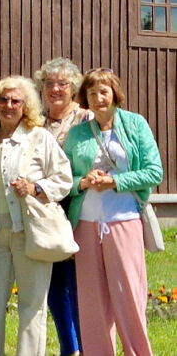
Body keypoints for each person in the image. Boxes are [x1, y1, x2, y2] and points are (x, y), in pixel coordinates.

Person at [0, 76, 72, 356]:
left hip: (29, 233)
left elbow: (63, 178)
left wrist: (36, 188)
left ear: (26, 107)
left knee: (32, 305)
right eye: (3, 99)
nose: (8, 105)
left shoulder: (39, 137)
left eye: (15, 101)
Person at [63, 69, 162, 356]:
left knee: (129, 296)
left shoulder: (134, 124)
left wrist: (115, 181)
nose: (98, 98)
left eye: (103, 91)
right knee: (92, 303)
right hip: (86, 224)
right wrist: (82, 181)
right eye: (92, 93)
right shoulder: (78, 133)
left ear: (114, 93)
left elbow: (154, 172)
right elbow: (63, 180)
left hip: (124, 220)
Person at [33, 58, 91, 356]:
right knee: (54, 284)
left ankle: (87, 344)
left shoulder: (86, 120)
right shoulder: (34, 122)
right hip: (45, 212)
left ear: (73, 88)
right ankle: (70, 349)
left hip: (79, 208)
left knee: (79, 283)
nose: (55, 89)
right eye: (49, 83)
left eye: (62, 83)